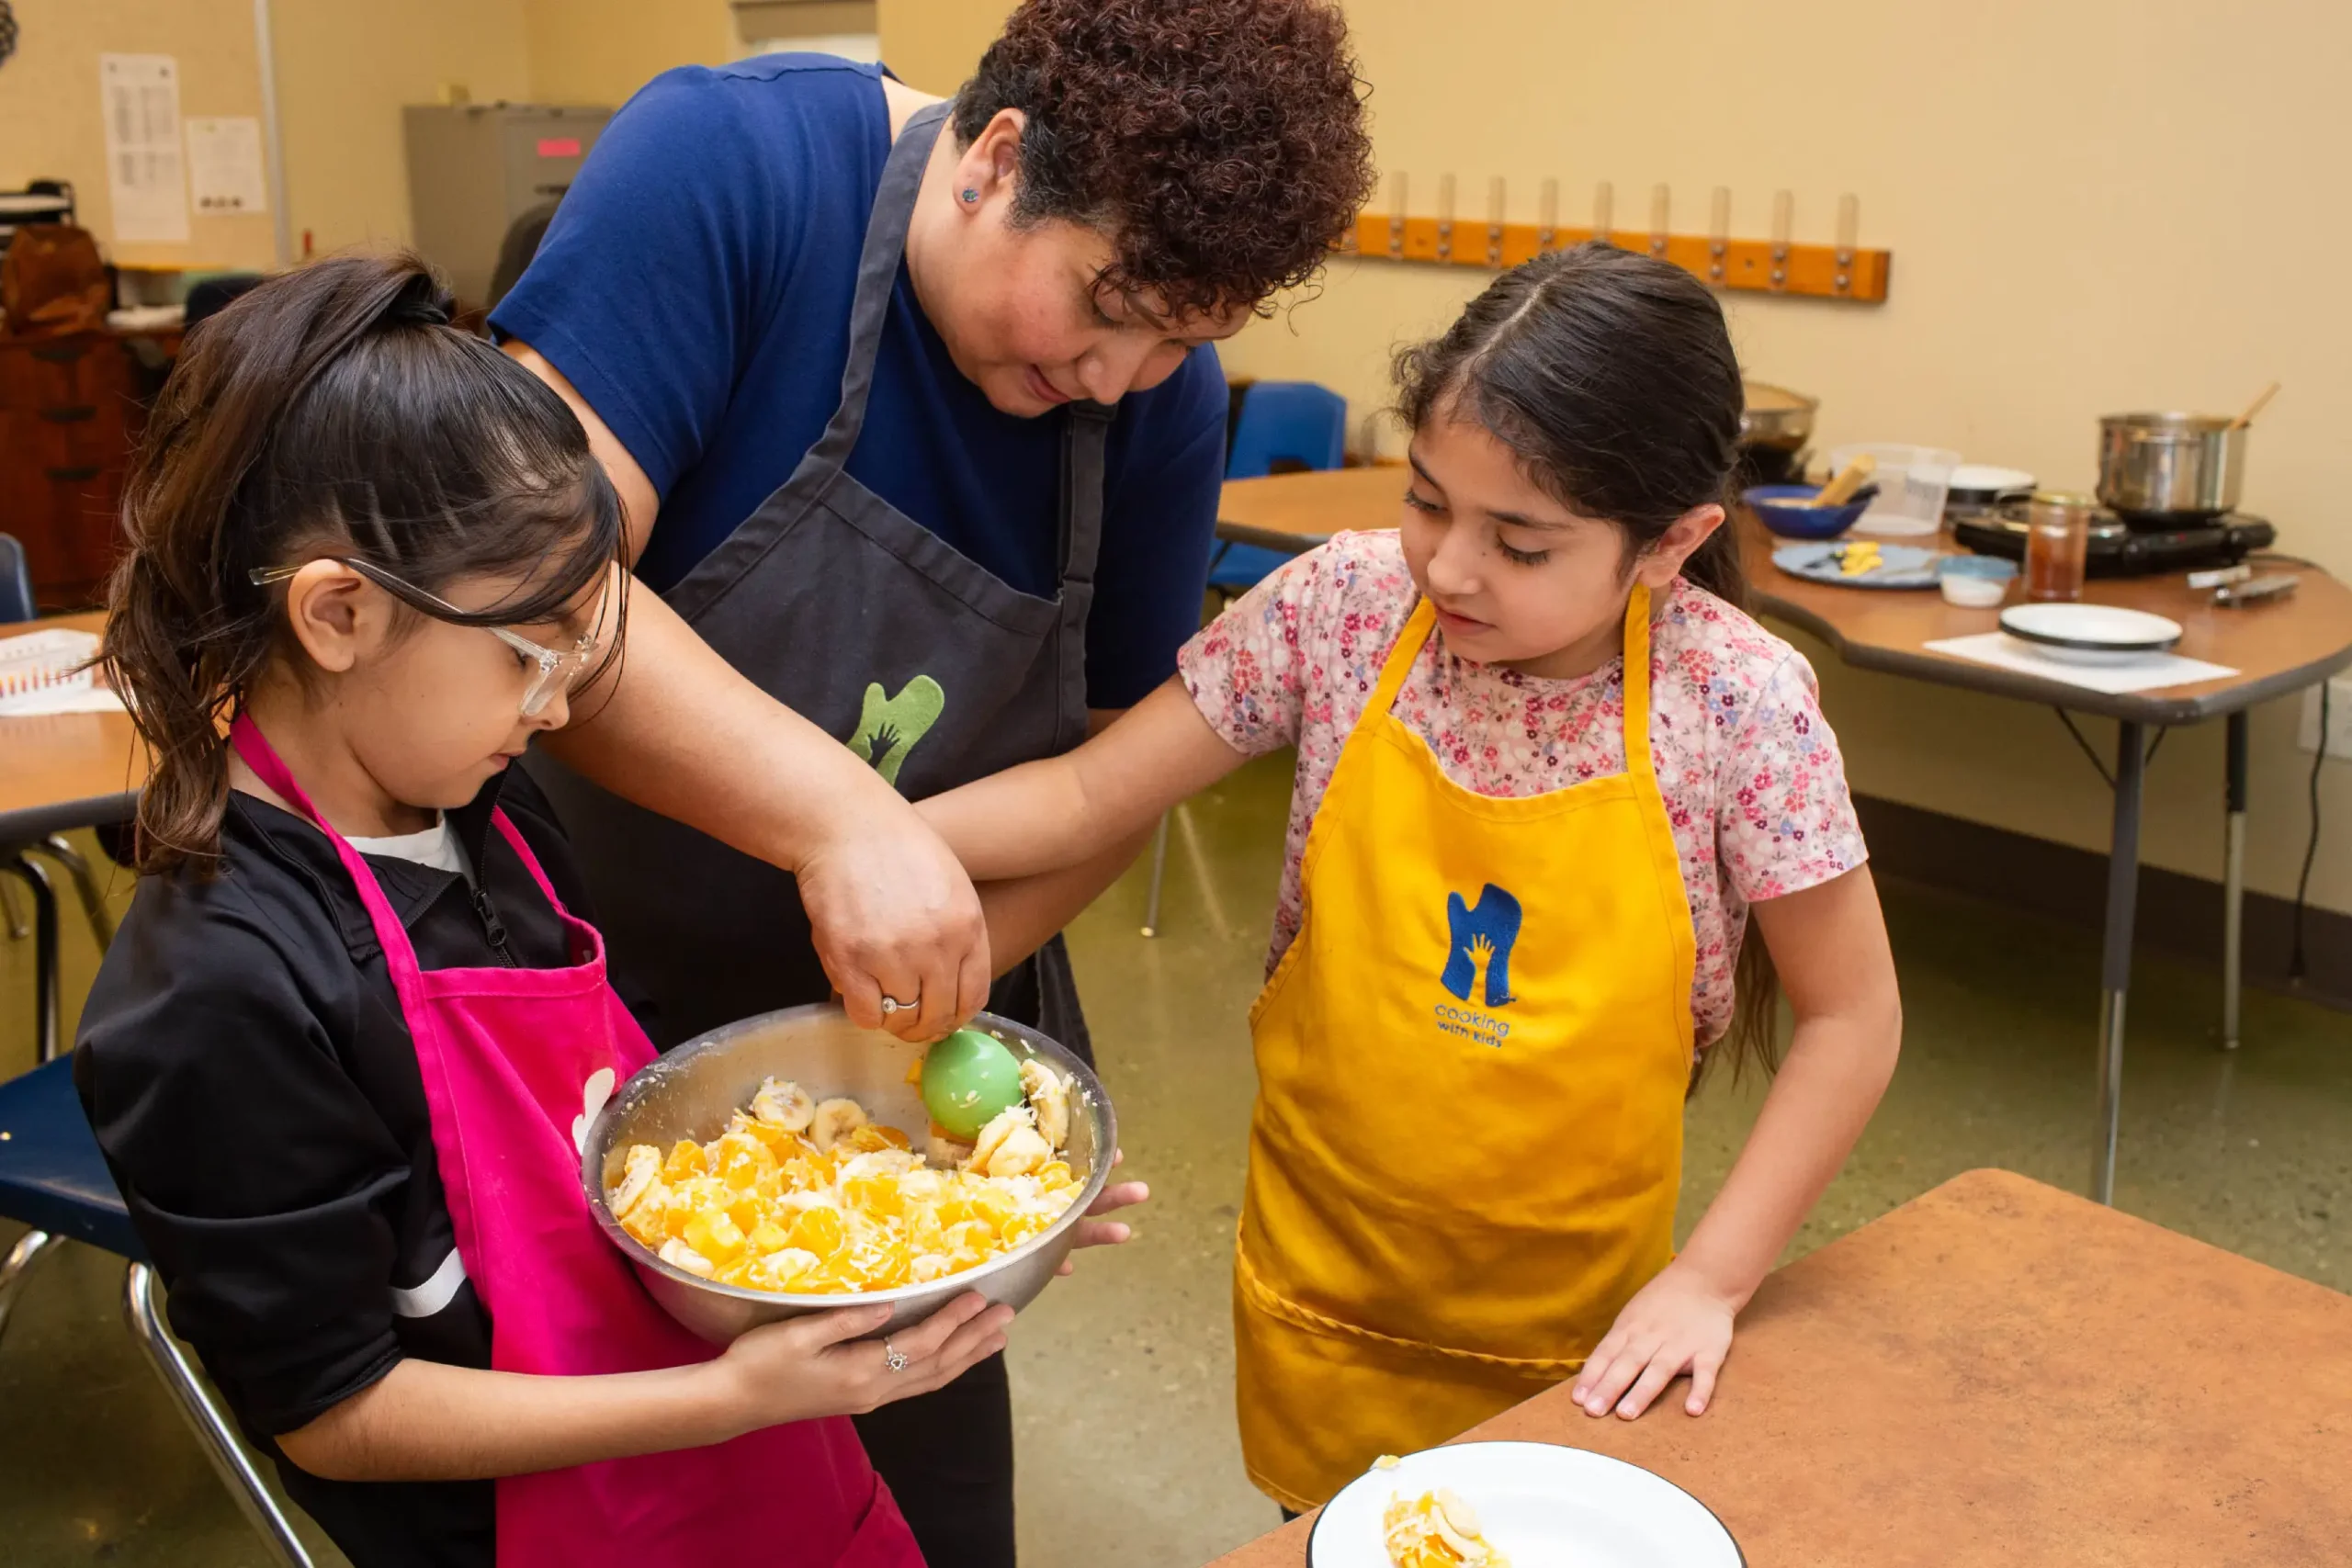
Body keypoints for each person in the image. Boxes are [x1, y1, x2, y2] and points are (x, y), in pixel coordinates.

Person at [488, 2, 1373, 1557]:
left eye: (1181, 337)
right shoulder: (734, 172)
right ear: (997, 157)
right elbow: (529, 592)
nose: (1126, 376)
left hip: (898, 1081)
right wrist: (842, 817)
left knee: (916, 1509)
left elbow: (1111, 772)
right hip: (588, 1003)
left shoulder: (1150, 396)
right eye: (1109, 307)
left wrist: (929, 1003)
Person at [919, 245, 1906, 1513]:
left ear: (1672, 542)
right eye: (1429, 499)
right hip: (1325, 1298)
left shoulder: (1737, 702)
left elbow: (1851, 1016)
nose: (1448, 567)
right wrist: (863, 833)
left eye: (1522, 542)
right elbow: (1085, 794)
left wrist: (1711, 1278)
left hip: (1582, 1341)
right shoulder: (1344, 608)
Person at [72, 254, 1019, 1568]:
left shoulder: (489, 813)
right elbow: (338, 1412)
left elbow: (636, 1171)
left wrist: (929, 1208)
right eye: (530, 650)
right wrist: (729, 1397)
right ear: (338, 613)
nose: (564, 704)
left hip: (757, 1471)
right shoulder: (218, 993)